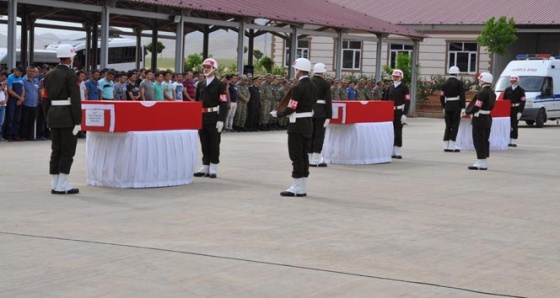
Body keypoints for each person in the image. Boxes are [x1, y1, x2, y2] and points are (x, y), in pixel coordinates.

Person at [270, 58, 317, 197]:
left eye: (296, 70)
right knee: (304, 156)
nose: (295, 73)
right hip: (308, 123)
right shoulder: (313, 86)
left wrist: (278, 114)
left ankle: (296, 187)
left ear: (299, 71)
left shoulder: (298, 87)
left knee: (296, 156)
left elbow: (292, 107)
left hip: (297, 125)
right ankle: (302, 186)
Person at [43, 44, 82, 194]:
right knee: (67, 151)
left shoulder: (49, 74)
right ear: (70, 57)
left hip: (53, 114)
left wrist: (48, 116)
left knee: (56, 150)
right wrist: (78, 121)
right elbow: (75, 99)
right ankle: (63, 184)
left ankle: (55, 183)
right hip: (67, 117)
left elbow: (45, 99)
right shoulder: (71, 74)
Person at [193, 58, 229, 178]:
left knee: (214, 143)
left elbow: (223, 102)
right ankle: (205, 166)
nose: (206, 69)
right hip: (202, 116)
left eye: (208, 67)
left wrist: (221, 119)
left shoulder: (220, 84)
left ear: (214, 69)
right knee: (204, 142)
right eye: (204, 67)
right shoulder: (200, 84)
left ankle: (213, 166)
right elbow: (197, 101)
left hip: (214, 117)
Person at [466, 72, 496, 170]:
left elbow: (477, 106)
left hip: (479, 119)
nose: (479, 81)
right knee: (484, 140)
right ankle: (483, 161)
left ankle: (480, 161)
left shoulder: (482, 92)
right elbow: (491, 106)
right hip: (487, 117)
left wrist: (468, 112)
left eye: (480, 80)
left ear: (483, 81)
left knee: (478, 140)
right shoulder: (492, 93)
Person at [383, 69, 410, 159]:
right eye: (394, 76)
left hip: (399, 111)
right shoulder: (389, 88)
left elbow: (407, 101)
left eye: (397, 76)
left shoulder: (404, 88)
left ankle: (397, 150)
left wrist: (404, 114)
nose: (395, 78)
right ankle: (390, 150)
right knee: (390, 131)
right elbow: (385, 101)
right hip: (390, 111)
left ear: (400, 77)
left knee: (398, 131)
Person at [309, 62, 332, 167]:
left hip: (309, 110)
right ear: (323, 72)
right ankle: (316, 159)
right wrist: (329, 116)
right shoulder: (325, 84)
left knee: (310, 134)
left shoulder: (309, 81)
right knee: (319, 135)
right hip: (321, 112)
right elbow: (328, 101)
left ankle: (308, 158)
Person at [440, 66, 466, 152]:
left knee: (448, 126)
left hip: (447, 105)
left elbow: (441, 96)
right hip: (456, 106)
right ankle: (451, 145)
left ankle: (446, 145)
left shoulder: (444, 83)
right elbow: (462, 96)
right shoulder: (459, 83)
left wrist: (443, 106)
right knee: (455, 126)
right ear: (457, 73)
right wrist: (463, 107)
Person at [503, 75, 526, 147]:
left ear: (517, 81)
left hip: (516, 109)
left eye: (514, 81)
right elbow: (504, 100)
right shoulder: (507, 89)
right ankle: (508, 140)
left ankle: (514, 140)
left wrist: (520, 112)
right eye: (511, 81)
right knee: (507, 125)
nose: (512, 82)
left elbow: (523, 101)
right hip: (508, 109)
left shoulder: (521, 90)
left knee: (514, 124)